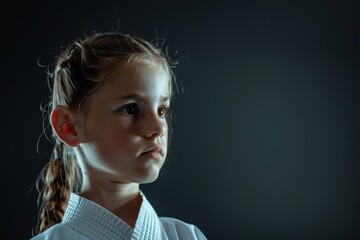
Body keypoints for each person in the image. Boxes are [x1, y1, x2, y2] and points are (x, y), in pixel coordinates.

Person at [31, 32, 206, 240]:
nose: (158, 127)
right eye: (131, 109)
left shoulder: (186, 235)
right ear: (68, 126)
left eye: (161, 110)